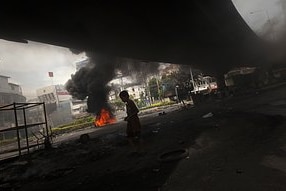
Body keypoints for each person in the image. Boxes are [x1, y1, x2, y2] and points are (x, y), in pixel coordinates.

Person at [119, 90, 143, 155]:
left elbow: (136, 111)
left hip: (134, 122)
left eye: (122, 98)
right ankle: (136, 150)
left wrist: (129, 117)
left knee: (137, 136)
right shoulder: (127, 104)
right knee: (130, 136)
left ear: (126, 96)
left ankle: (139, 150)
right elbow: (131, 113)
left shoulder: (130, 102)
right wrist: (127, 117)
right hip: (131, 123)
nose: (121, 100)